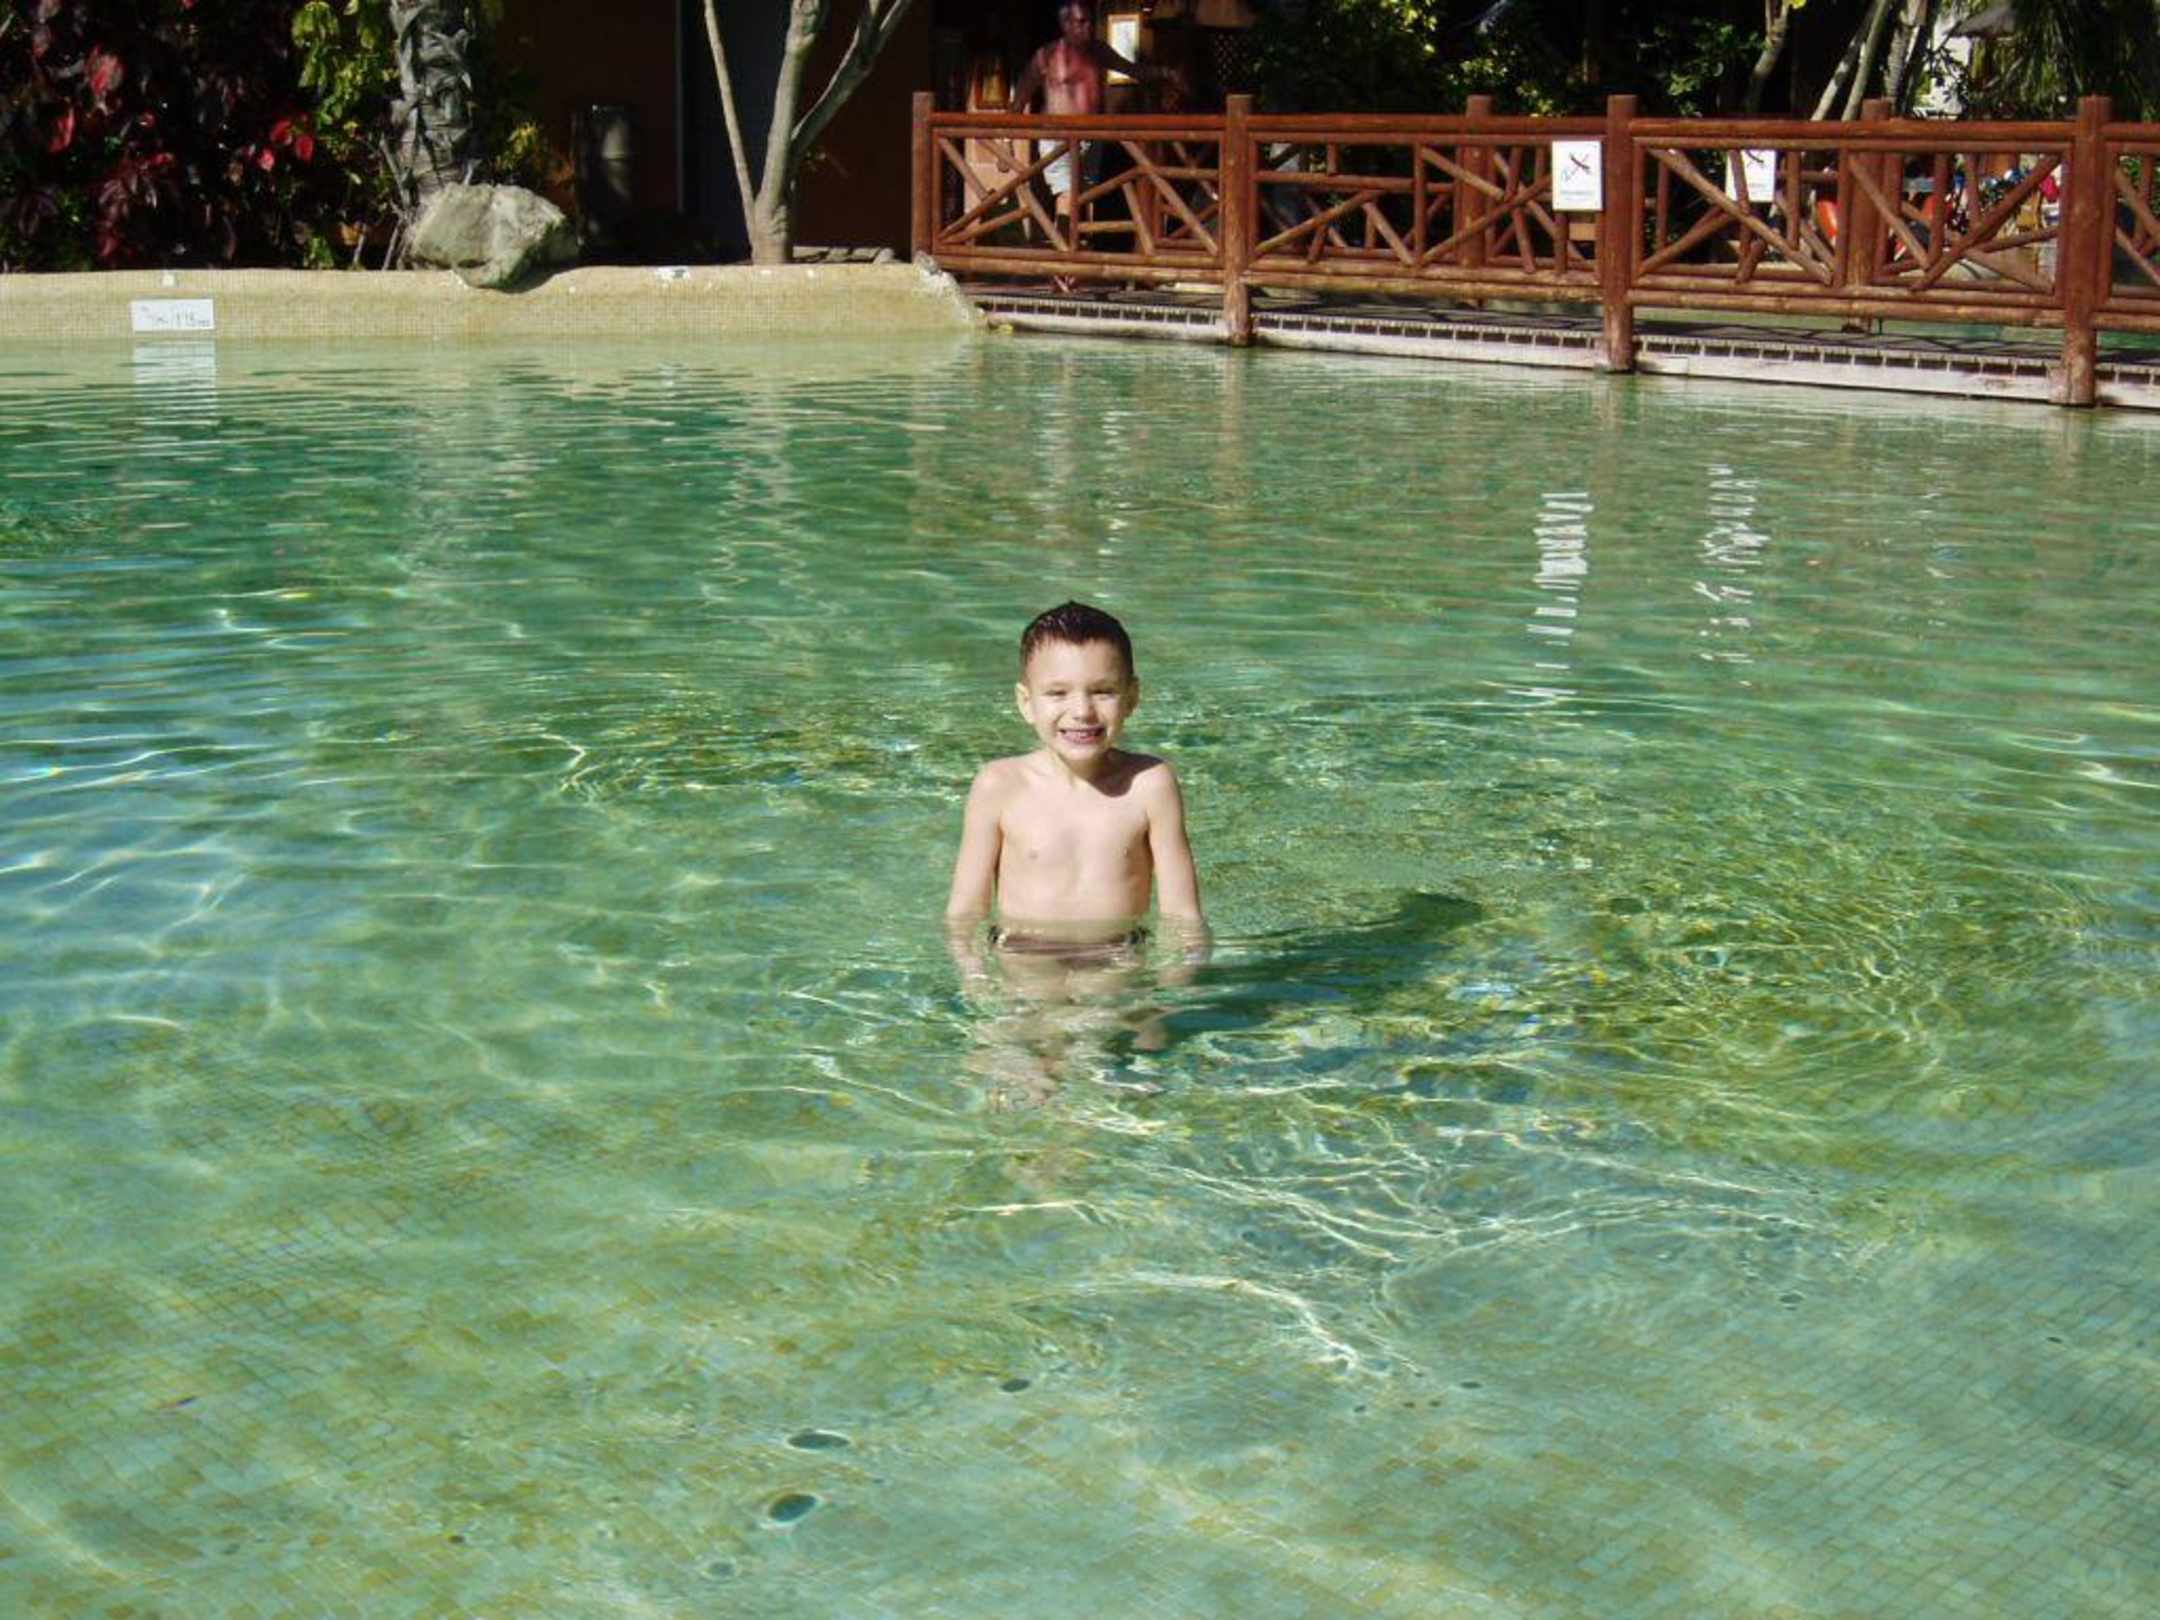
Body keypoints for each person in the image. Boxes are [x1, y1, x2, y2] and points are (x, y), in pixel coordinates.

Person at [946, 601, 1205, 970]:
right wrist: (974, 978)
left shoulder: (1150, 784)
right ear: (1026, 702)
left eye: (1103, 691)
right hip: (1022, 954)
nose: (1082, 711)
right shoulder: (999, 785)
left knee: (1115, 1005)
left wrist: (1178, 980)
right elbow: (965, 912)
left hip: (1117, 955)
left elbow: (1183, 914)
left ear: (1131, 698)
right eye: (1057, 693)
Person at [1008, 0, 1181, 211]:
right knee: (1067, 195)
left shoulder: (1099, 51)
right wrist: (1007, 139)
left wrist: (1165, 73)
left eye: (1089, 21)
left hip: (1090, 138)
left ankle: (1076, 233)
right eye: (1081, 22)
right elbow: (1022, 94)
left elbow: (1132, 70)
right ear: (1065, 24)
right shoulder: (1047, 55)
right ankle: (1064, 234)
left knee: (1086, 197)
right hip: (1057, 139)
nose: (1088, 26)